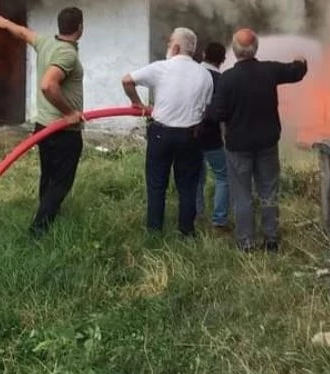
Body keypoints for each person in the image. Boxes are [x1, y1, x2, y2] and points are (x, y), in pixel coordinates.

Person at [209, 28, 307, 253]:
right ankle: (271, 239)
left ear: (235, 51)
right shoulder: (269, 70)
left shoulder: (228, 78)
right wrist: (301, 61)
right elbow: (296, 72)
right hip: (267, 144)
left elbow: (217, 113)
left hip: (238, 147)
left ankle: (246, 242)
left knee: (242, 195)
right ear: (256, 49)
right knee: (269, 191)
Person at [0, 7, 84, 238]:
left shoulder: (46, 43)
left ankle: (47, 214)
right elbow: (48, 84)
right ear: (80, 28)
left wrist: (5, 23)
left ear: (59, 26)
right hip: (63, 130)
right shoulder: (66, 54)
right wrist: (69, 113)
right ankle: (39, 229)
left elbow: (24, 33)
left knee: (49, 175)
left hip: (43, 127)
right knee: (61, 182)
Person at [122, 27, 214, 238]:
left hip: (161, 134)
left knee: (156, 184)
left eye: (170, 42)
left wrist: (137, 103)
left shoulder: (161, 67)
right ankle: (186, 231)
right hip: (191, 135)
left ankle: (154, 231)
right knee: (188, 186)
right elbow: (206, 107)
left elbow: (126, 80)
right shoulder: (205, 74)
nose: (168, 46)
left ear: (176, 47)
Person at [195, 41, 230, 231]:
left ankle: (197, 214)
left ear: (203, 54)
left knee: (195, 176)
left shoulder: (192, 73)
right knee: (223, 175)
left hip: (190, 131)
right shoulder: (221, 80)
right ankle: (219, 220)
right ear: (223, 60)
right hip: (211, 135)